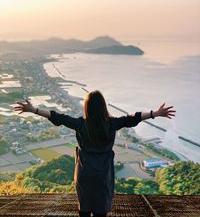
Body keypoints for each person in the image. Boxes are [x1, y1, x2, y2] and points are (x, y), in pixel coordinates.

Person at [14, 90, 175, 217]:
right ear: (103, 107)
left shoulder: (80, 124)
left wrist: (33, 109)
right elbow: (132, 118)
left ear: (87, 108)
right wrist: (155, 113)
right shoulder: (111, 124)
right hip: (103, 174)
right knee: (100, 211)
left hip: (84, 174)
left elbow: (57, 117)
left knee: (84, 209)